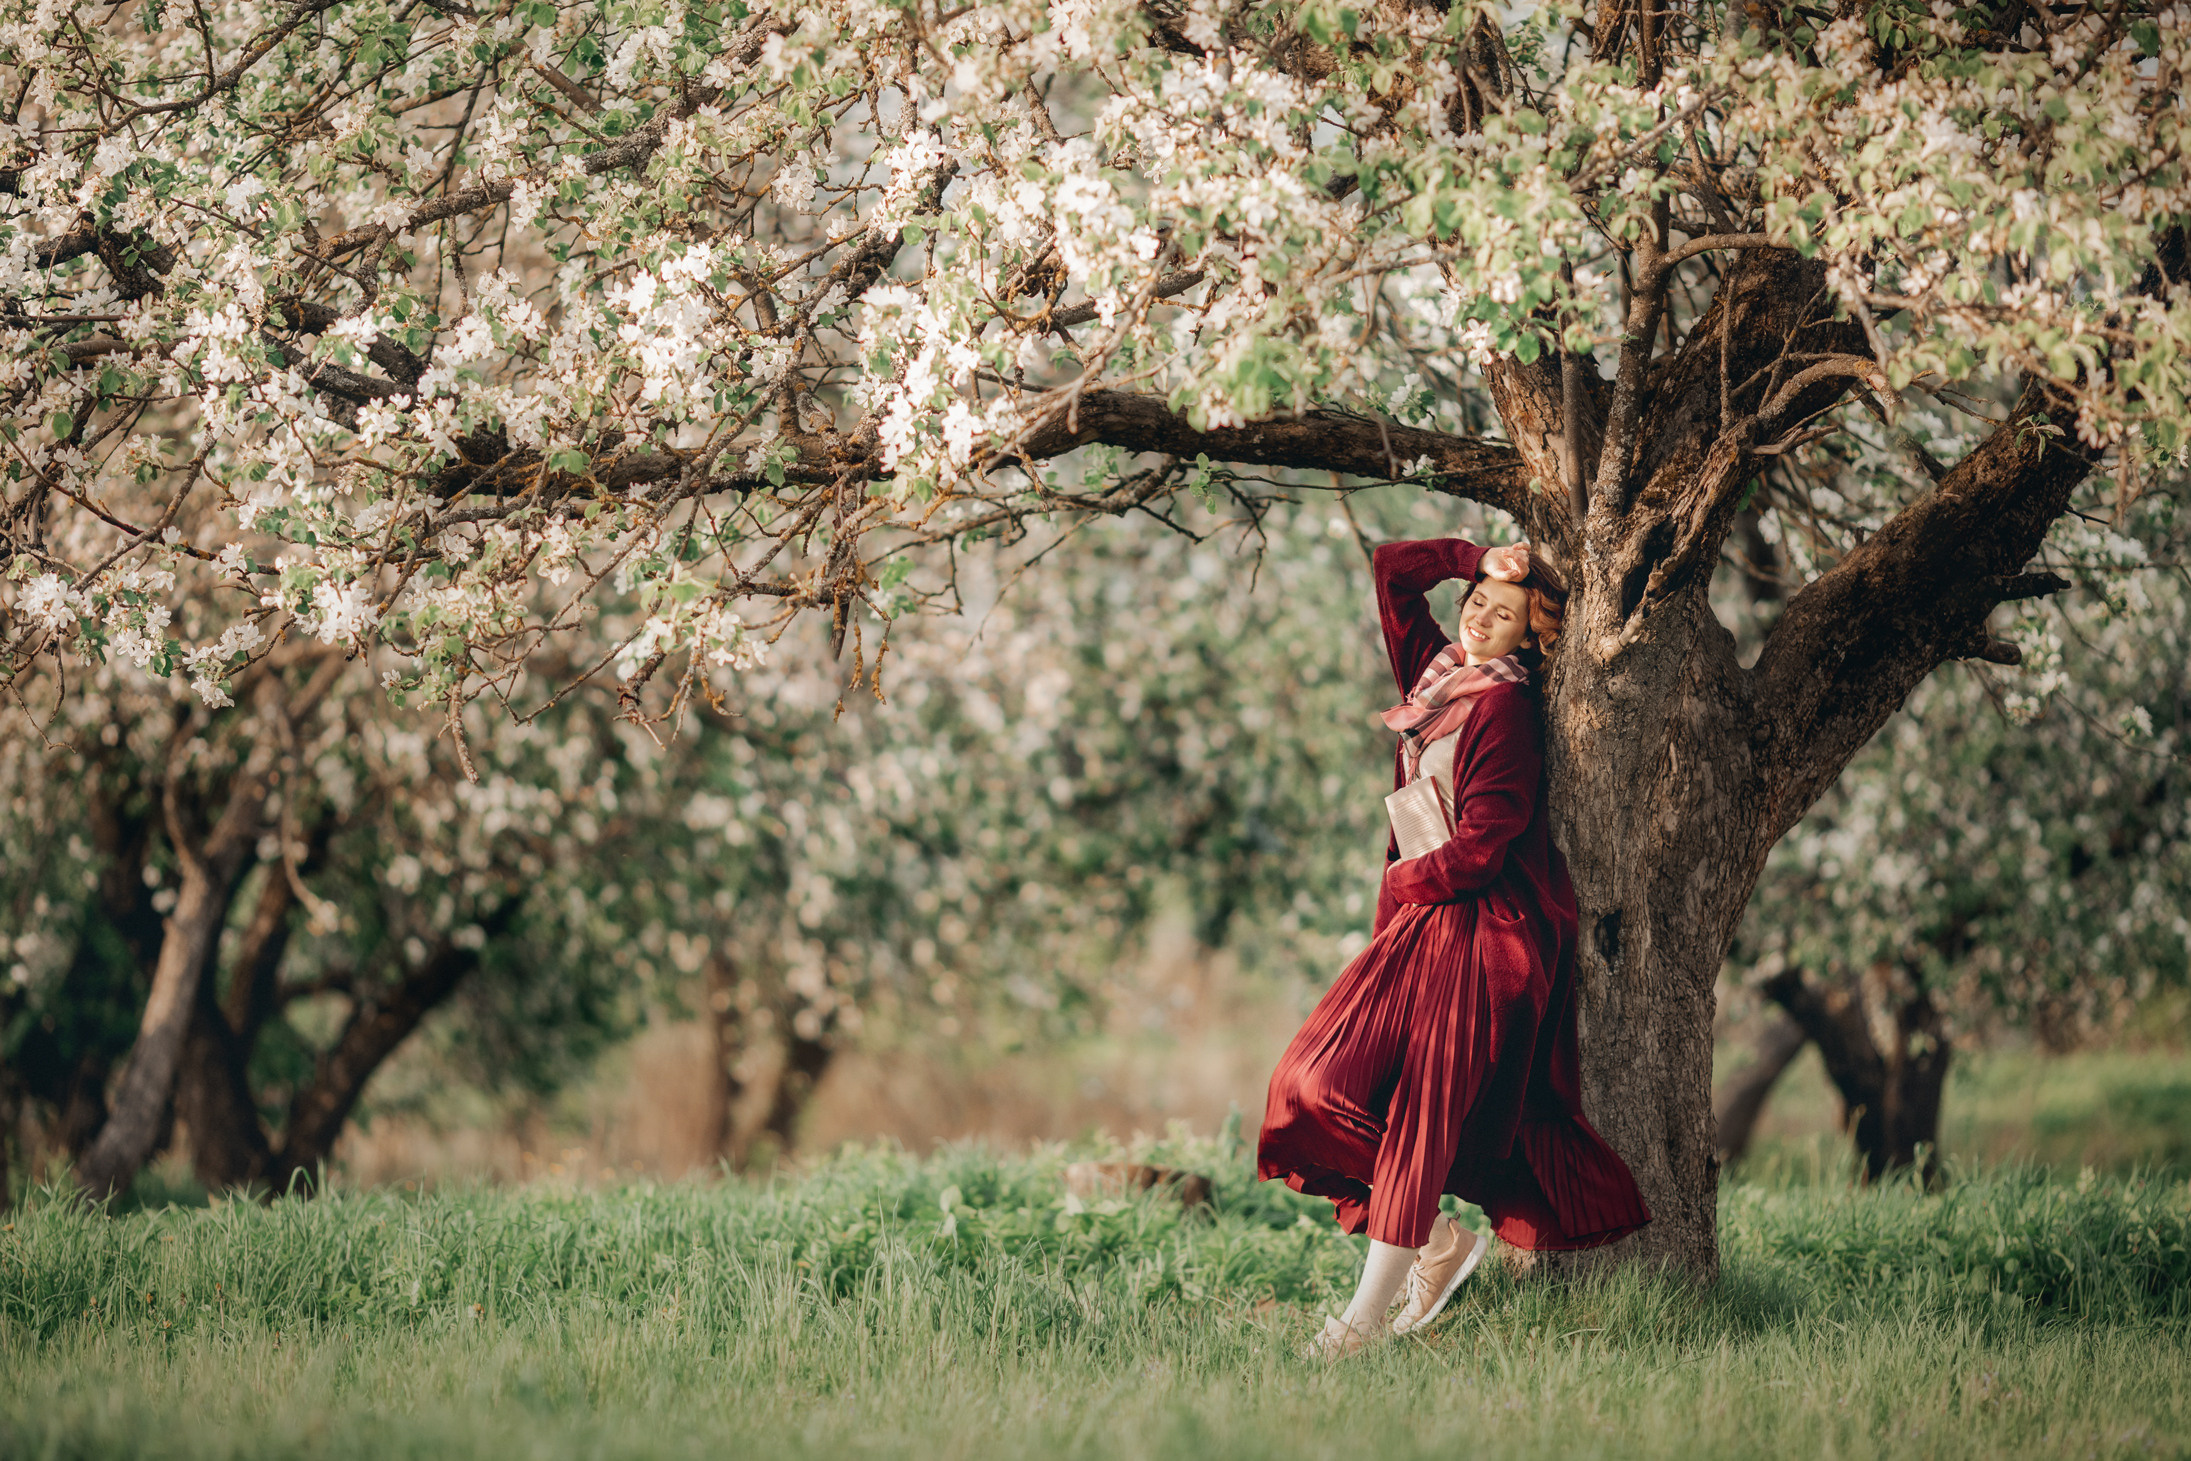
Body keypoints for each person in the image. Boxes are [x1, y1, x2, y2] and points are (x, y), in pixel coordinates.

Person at [1257, 536, 1650, 1359]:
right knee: (1309, 1083)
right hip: (1421, 928)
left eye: (1502, 614)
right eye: (1477, 600)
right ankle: (1435, 1237)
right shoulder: (1435, 678)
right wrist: (1478, 554)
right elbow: (1392, 571)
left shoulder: (1503, 709)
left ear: (1526, 639)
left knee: (1421, 1119)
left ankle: (1360, 1324)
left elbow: (1484, 844)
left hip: (1481, 937)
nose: (1480, 614)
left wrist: (1402, 881)